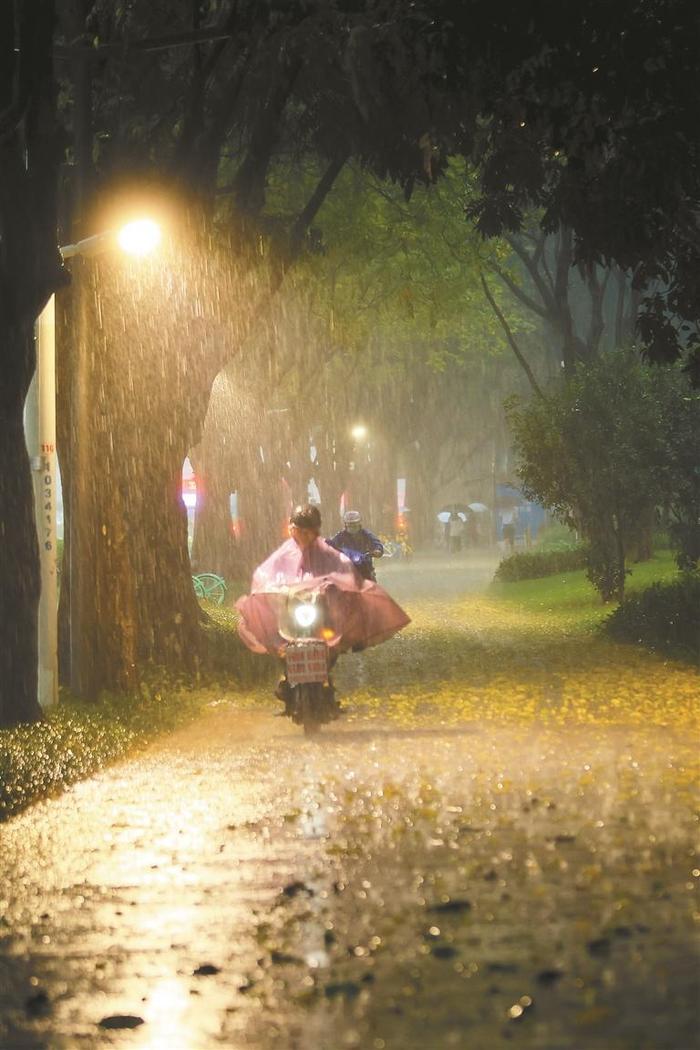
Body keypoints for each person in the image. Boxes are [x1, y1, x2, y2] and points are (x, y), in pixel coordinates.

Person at [236, 504, 410, 714]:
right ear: (292, 530)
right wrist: (272, 588)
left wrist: (338, 585)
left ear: (316, 531)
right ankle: (286, 677)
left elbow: (344, 569)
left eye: (308, 531)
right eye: (299, 531)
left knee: (332, 643)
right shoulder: (284, 555)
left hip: (320, 610)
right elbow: (266, 573)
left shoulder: (328, 553)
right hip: (292, 611)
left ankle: (326, 679)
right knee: (282, 642)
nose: (303, 536)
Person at [328, 509, 384, 581]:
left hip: (365, 568)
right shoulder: (340, 535)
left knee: (372, 584)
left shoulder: (366, 534)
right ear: (346, 525)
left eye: (354, 525)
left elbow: (376, 543)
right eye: (350, 525)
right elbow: (331, 545)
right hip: (346, 568)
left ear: (359, 524)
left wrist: (377, 550)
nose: (352, 528)